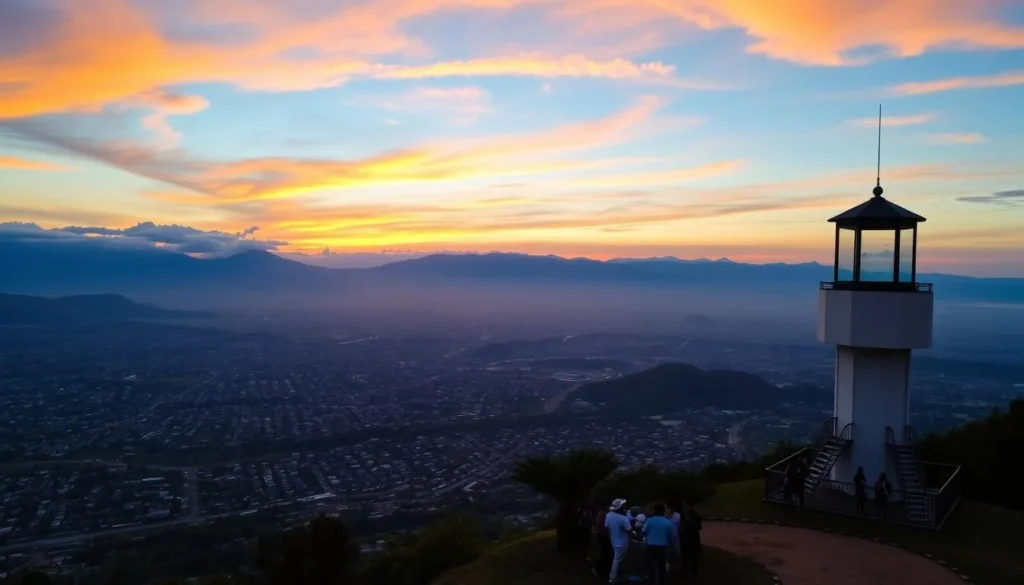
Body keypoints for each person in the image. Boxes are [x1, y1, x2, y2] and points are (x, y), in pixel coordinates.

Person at [642, 503, 675, 585]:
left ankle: (651, 581)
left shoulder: (649, 521)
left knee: (650, 565)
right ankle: (662, 581)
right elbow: (670, 535)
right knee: (661, 565)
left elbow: (644, 531)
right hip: (662, 546)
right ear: (663, 511)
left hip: (650, 545)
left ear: (654, 511)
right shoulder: (668, 522)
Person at [604, 498, 632, 584]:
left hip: (614, 540)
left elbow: (607, 527)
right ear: (620, 507)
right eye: (623, 505)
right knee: (617, 559)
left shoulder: (609, 515)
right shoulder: (623, 518)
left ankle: (619, 573)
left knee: (618, 558)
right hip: (622, 542)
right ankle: (612, 578)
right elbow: (629, 530)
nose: (625, 507)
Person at [593, 501, 612, 580]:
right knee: (605, 553)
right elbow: (603, 525)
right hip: (603, 536)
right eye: (609, 506)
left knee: (608, 553)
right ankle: (597, 569)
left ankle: (606, 570)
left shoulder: (606, 514)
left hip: (606, 536)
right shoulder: (602, 514)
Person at [681, 505, 703, 575]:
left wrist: (686, 527)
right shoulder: (683, 516)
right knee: (685, 556)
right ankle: (685, 569)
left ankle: (693, 570)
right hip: (686, 539)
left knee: (693, 556)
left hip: (693, 539)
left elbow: (698, 527)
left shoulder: (695, 517)